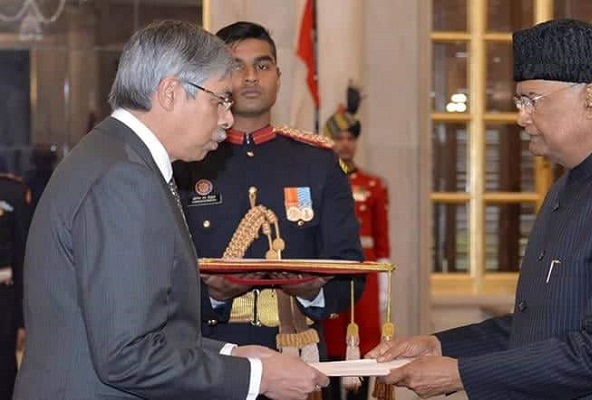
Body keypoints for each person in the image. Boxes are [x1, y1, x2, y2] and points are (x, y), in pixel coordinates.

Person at [367, 18, 592, 399]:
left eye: (531, 100)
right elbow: (539, 326)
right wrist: (440, 346)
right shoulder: (566, 188)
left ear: (591, 99)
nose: (521, 117)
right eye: (519, 102)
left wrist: (461, 375)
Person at [14, 20, 327, 400]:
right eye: (219, 100)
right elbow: (127, 355)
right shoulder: (124, 178)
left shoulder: (116, 157)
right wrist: (257, 378)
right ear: (171, 93)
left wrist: (234, 356)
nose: (228, 118)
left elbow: (146, 329)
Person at [173, 20, 364, 388]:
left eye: (262, 65)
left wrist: (313, 291)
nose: (250, 77)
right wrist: (211, 297)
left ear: (278, 76)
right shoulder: (187, 162)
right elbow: (158, 277)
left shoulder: (318, 162)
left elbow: (351, 272)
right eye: (236, 66)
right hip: (210, 358)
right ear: (216, 78)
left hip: (297, 355)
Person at [322, 86, 391, 399]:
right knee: (332, 346)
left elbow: (382, 238)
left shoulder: (373, 185)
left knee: (362, 348)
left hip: (365, 275)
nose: (345, 144)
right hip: (332, 272)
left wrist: (383, 284)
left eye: (350, 138)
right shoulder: (321, 184)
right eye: (339, 138)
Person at [0, 173, 30, 400]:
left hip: (4, 303)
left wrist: (22, 320)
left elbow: (22, 257)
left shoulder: (11, 192)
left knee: (4, 373)